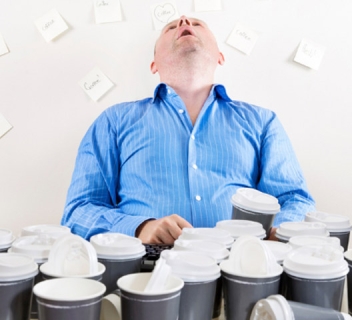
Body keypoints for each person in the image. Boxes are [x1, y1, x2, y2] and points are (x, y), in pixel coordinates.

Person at [61, 16, 315, 244]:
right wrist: (139, 227)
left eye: (197, 24)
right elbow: (78, 211)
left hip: (244, 267)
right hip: (143, 269)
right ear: (154, 65)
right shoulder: (113, 122)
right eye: (171, 27)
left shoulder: (262, 122)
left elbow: (296, 199)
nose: (183, 22)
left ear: (220, 57)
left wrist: (278, 231)